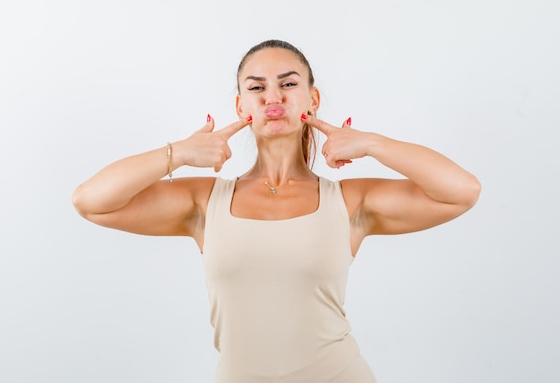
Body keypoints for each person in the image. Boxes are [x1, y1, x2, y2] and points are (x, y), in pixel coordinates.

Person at [72, 39, 481, 383]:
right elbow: (91, 201)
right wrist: (177, 154)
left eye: (288, 83)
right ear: (240, 105)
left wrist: (372, 143)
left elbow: (462, 191)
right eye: (257, 87)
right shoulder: (204, 202)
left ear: (312, 99)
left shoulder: (350, 202)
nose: (273, 97)